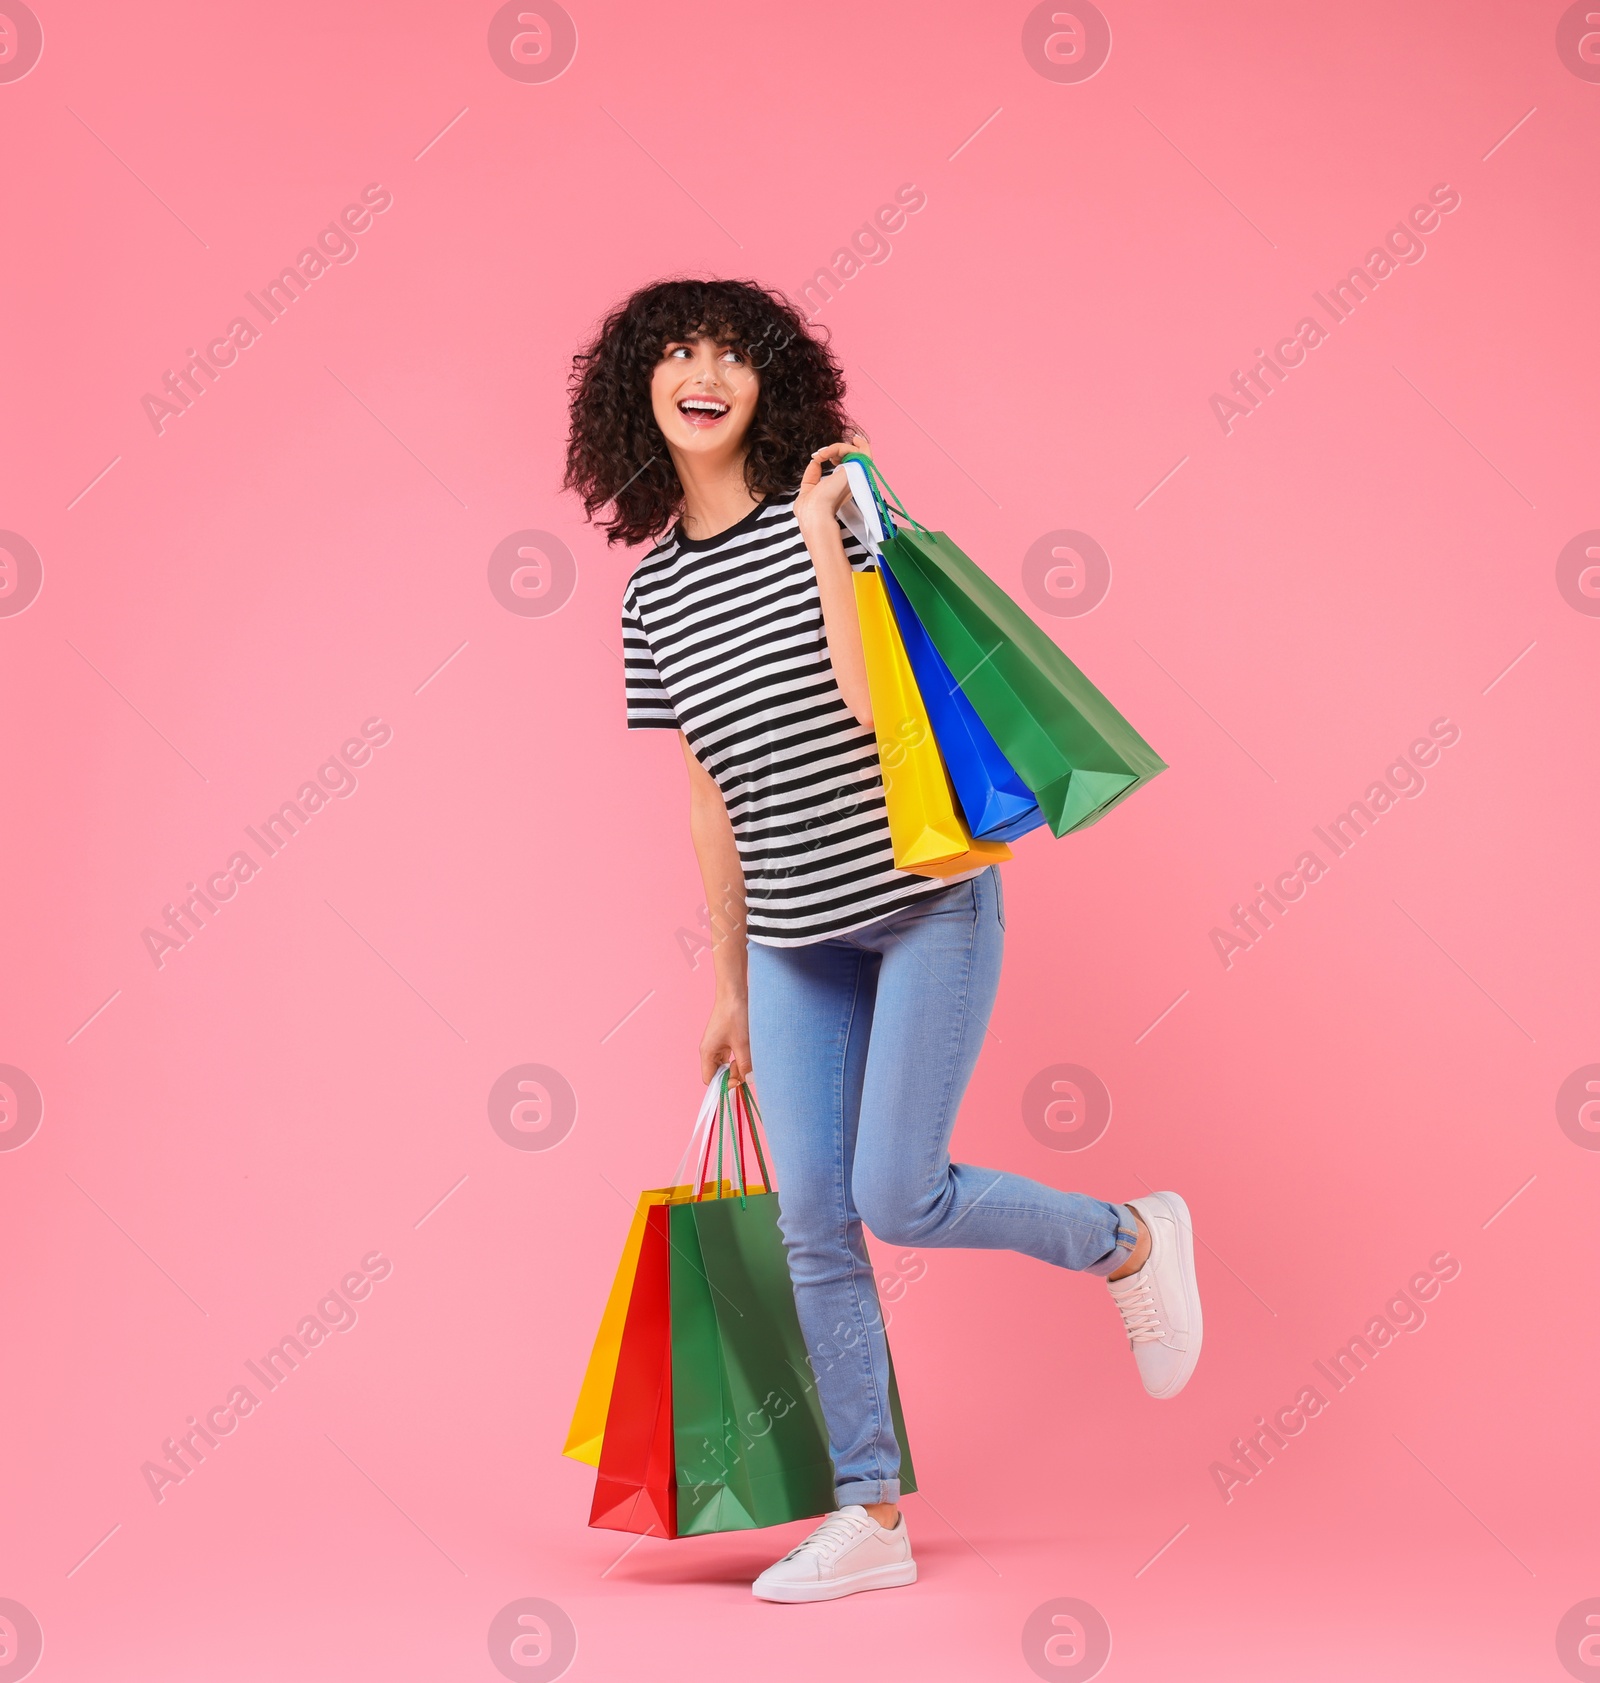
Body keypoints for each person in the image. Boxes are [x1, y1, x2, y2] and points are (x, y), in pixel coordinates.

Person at [565, 278, 1202, 1604]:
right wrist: (729, 980)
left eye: (733, 355)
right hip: (795, 941)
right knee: (812, 1218)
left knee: (893, 1193)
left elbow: (870, 703)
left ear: (768, 386)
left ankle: (1129, 1237)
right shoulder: (648, 605)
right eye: (676, 353)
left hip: (923, 906)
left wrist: (819, 539)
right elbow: (707, 799)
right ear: (633, 387)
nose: (704, 373)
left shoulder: (834, 507)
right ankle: (872, 1515)